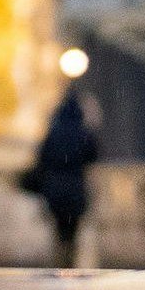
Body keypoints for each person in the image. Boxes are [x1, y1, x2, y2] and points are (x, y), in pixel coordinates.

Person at [23, 88, 101, 267]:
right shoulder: (82, 134)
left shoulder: (53, 134)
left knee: (59, 231)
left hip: (55, 190)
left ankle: (61, 261)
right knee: (72, 231)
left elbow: (42, 160)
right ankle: (70, 261)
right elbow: (93, 156)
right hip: (75, 190)